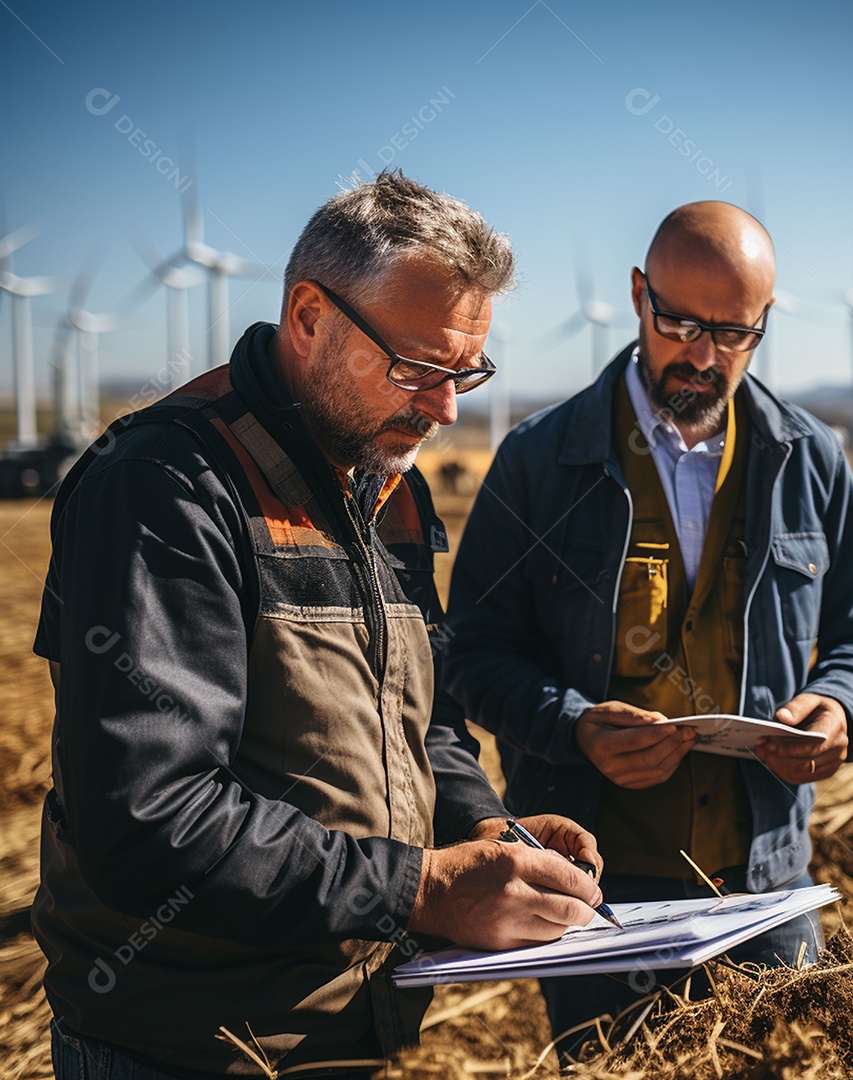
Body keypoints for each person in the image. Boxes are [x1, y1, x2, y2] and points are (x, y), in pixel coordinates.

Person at [32, 172, 606, 1079]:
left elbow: (425, 724)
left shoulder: (388, 484)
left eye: (466, 372)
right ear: (308, 317)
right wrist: (422, 887)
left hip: (355, 1033)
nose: (446, 408)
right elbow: (149, 818)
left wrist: (490, 833)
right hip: (192, 1045)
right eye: (418, 366)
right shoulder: (166, 489)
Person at [444, 201, 853, 1049]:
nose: (702, 354)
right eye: (680, 321)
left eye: (734, 333)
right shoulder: (536, 463)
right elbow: (468, 652)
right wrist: (573, 725)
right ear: (635, 295)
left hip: (767, 889)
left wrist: (841, 708)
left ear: (764, 324)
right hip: (592, 896)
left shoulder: (810, 459)